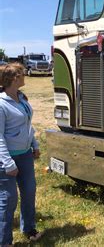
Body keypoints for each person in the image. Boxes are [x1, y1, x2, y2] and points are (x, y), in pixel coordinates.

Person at [0, 63, 42, 245]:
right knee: (8, 199)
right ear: (14, 78)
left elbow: (27, 124)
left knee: (29, 192)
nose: (25, 76)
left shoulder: (22, 98)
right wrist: (8, 163)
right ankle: (4, 241)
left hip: (25, 155)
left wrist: (34, 144)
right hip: (7, 158)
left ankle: (29, 229)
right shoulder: (1, 104)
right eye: (22, 74)